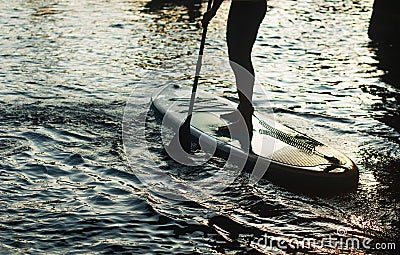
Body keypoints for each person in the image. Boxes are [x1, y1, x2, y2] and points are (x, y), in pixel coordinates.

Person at [202, 0, 267, 144]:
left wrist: (213, 10)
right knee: (238, 59)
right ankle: (243, 110)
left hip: (247, 8)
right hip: (248, 6)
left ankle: (245, 118)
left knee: (240, 60)